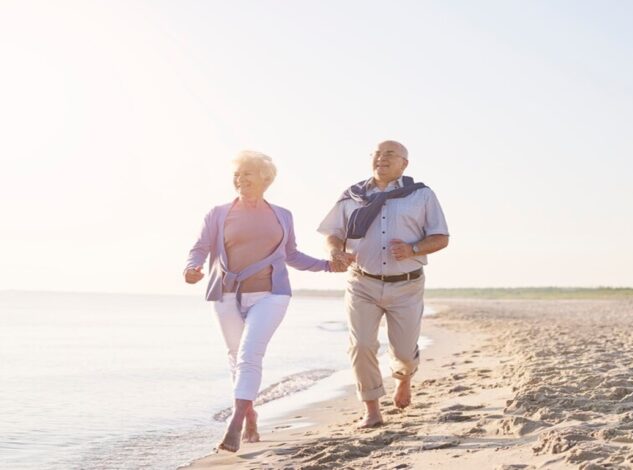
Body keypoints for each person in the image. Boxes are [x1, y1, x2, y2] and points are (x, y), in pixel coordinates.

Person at [184, 150, 347, 452]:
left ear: (265, 178)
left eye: (247, 173)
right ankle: (250, 414)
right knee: (235, 357)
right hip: (226, 294)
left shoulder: (282, 215)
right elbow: (201, 247)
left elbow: (292, 255)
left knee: (249, 354)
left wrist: (327, 265)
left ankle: (235, 422)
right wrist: (191, 267)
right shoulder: (218, 213)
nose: (240, 179)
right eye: (237, 174)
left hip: (271, 294)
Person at [318, 140, 449, 428]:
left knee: (403, 351)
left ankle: (403, 378)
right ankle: (372, 410)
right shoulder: (352, 195)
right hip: (361, 283)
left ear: (404, 163)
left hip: (406, 285)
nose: (382, 158)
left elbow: (441, 237)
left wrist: (414, 249)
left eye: (390, 154)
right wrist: (335, 251)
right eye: (377, 154)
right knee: (361, 344)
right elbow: (333, 233)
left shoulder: (421, 195)